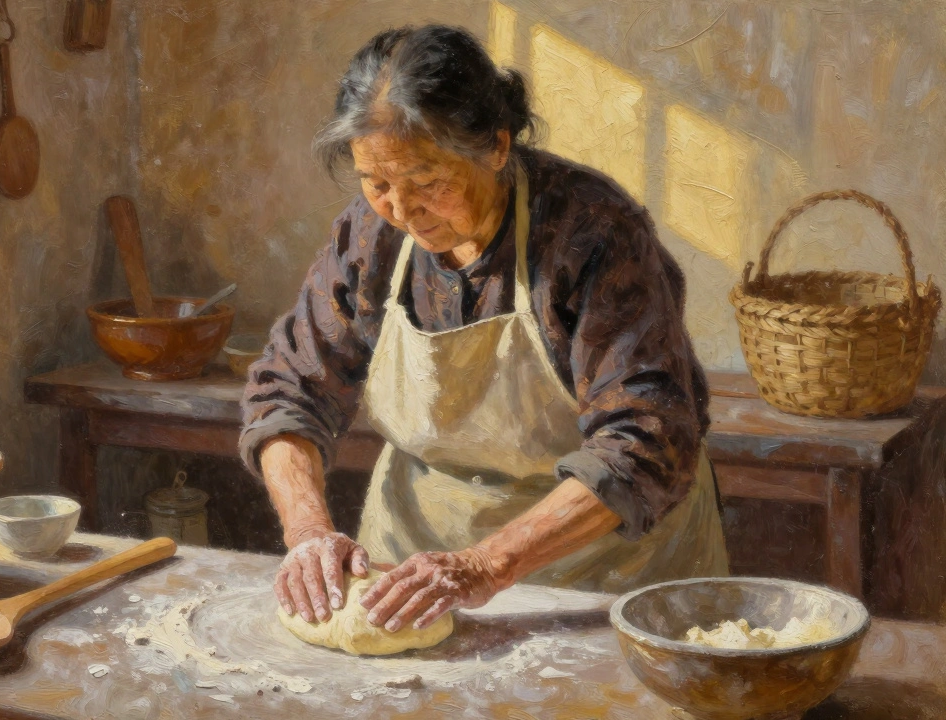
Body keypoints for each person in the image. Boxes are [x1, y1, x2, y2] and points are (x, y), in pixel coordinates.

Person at [239, 25, 728, 636]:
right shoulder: (371, 236)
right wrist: (308, 532)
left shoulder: (592, 231)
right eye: (377, 182)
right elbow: (291, 389)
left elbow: (643, 443)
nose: (401, 207)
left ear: (496, 147)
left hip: (602, 570)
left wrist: (483, 566)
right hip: (413, 568)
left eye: (428, 181)